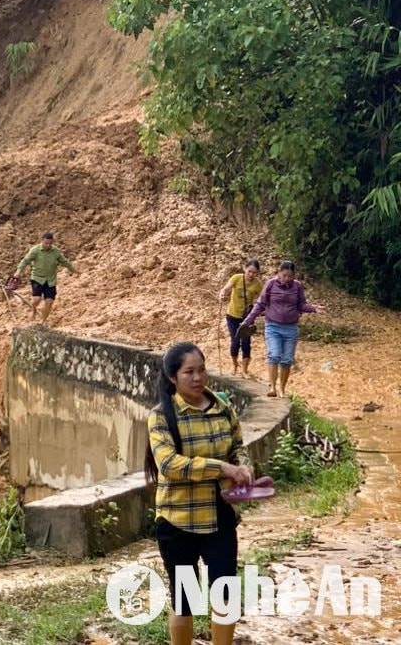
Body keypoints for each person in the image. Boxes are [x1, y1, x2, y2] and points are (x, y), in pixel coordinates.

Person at [146, 341, 253, 645]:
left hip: (219, 515)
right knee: (186, 599)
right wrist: (222, 469)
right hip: (178, 519)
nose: (197, 378)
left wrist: (243, 468)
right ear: (172, 378)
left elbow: (238, 447)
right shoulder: (162, 416)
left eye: (202, 370)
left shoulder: (222, 407)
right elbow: (169, 464)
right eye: (189, 372)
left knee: (225, 593)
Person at [239, 261, 324, 397]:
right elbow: (260, 305)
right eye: (284, 275)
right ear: (279, 273)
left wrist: (314, 308)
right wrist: (248, 320)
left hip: (291, 328)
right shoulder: (270, 284)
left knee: (287, 359)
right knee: (274, 355)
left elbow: (302, 304)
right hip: (273, 326)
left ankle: (282, 389)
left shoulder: (297, 286)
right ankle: (272, 387)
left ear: (293, 276)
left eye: (290, 276)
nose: (286, 279)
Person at [15, 232, 76, 325]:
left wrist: (74, 270)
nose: (48, 245)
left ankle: (43, 321)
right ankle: (34, 309)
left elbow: (64, 261)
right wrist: (18, 271)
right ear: (42, 241)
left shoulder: (55, 251)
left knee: (49, 302)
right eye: (46, 243)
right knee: (37, 300)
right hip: (37, 278)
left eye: (50, 243)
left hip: (50, 280)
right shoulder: (35, 250)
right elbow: (25, 260)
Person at [218, 259, 263, 377]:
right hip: (232, 315)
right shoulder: (236, 278)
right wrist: (223, 294)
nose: (251, 275)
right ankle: (234, 365)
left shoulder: (258, 284)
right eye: (249, 272)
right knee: (235, 341)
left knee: (246, 343)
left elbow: (262, 299)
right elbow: (227, 288)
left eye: (254, 273)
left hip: (247, 317)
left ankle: (244, 370)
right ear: (245, 269)